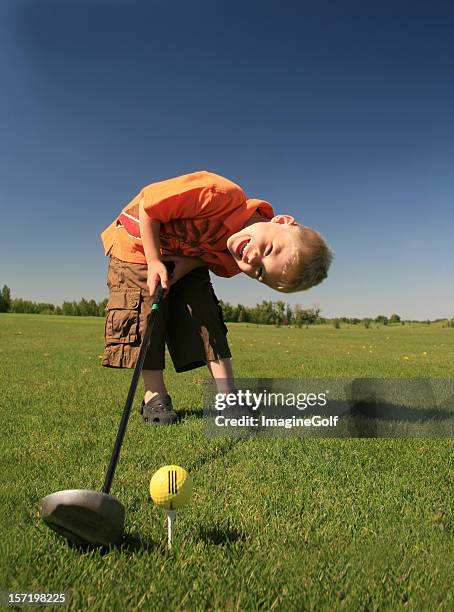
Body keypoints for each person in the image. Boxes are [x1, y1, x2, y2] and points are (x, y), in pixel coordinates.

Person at [100, 170, 332, 424]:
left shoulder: (233, 261)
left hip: (183, 254)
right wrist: (154, 260)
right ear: (281, 221)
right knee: (146, 317)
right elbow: (149, 207)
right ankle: (154, 394)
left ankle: (227, 396)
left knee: (205, 313)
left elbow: (206, 259)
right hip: (136, 244)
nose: (253, 259)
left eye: (260, 272)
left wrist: (186, 265)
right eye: (268, 249)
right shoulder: (219, 194)